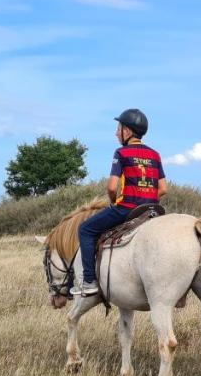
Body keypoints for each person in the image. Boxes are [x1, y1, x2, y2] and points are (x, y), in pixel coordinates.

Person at [71, 109, 168, 296]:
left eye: (119, 128)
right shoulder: (155, 155)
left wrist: (114, 203)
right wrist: (147, 198)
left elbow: (111, 187)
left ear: (128, 131)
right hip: (151, 209)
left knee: (85, 230)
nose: (116, 133)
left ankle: (89, 281)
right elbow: (163, 188)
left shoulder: (121, 153)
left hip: (127, 208)